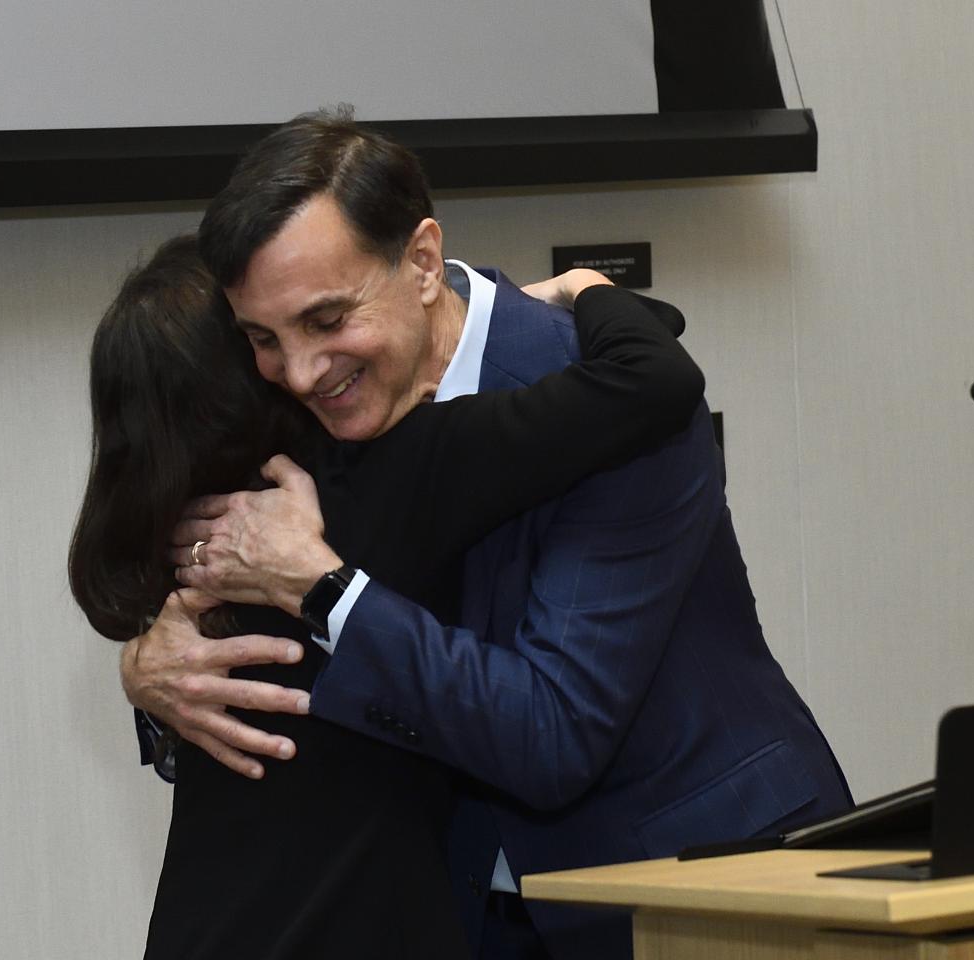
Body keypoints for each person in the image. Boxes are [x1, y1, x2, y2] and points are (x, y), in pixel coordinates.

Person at [123, 109, 853, 960]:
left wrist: (318, 585)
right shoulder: (310, 403)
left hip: (703, 889)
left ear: (423, 263)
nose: (300, 371)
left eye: (326, 322)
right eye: (263, 339)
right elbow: (211, 578)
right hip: (468, 912)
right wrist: (152, 666)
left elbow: (553, 731)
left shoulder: (601, 396)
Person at [69, 233, 708, 958]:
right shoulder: (387, 481)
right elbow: (652, 377)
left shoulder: (185, 545)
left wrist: (138, 667)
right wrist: (583, 286)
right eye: (266, 337)